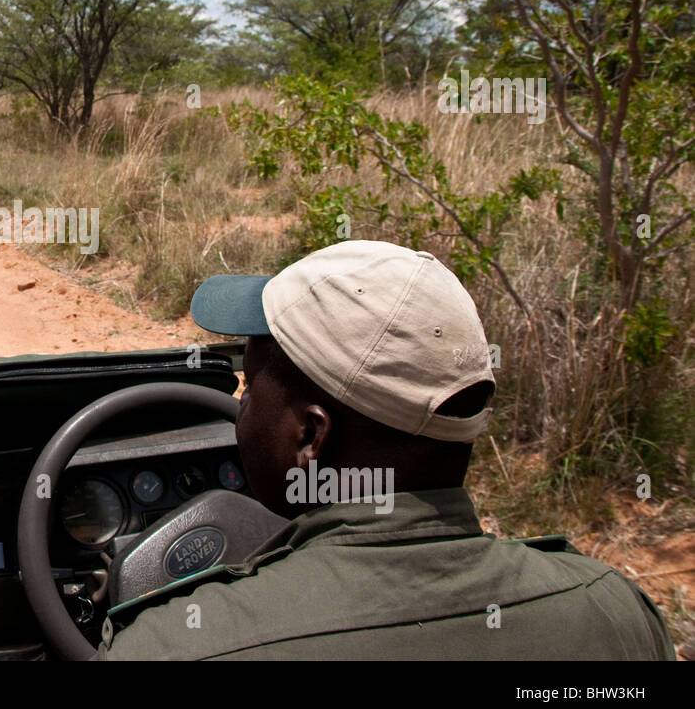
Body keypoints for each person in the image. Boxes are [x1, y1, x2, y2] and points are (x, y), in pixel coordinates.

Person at [95, 240, 674, 660]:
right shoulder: (616, 612)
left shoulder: (172, 646)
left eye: (248, 388)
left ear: (310, 437)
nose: (241, 407)